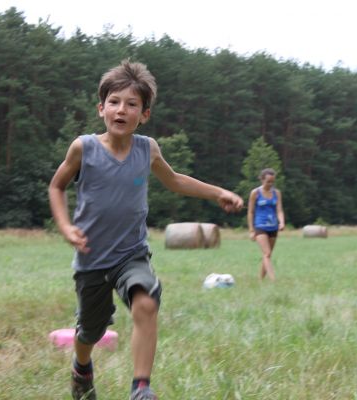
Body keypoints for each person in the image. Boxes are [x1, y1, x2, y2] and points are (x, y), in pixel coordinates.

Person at [48, 60, 243, 400]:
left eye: (132, 104)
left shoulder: (147, 149)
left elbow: (174, 180)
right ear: (101, 108)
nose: (121, 109)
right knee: (90, 332)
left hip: (130, 253)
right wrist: (65, 226)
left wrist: (218, 192)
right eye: (114, 102)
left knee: (146, 302)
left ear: (145, 114)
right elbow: (56, 187)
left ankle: (141, 388)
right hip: (92, 257)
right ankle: (81, 368)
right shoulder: (84, 148)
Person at [247, 168, 285, 281]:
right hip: (260, 227)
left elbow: (279, 210)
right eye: (268, 181)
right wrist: (251, 230)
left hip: (273, 227)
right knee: (267, 253)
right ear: (262, 180)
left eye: (272, 181)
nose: (270, 184)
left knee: (267, 255)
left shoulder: (276, 193)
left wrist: (282, 222)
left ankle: (260, 280)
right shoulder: (255, 193)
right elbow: (250, 212)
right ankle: (273, 280)